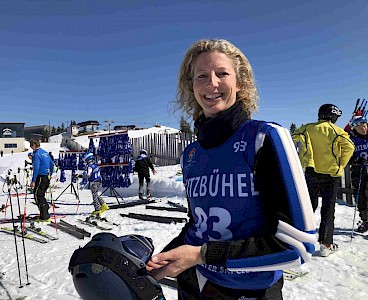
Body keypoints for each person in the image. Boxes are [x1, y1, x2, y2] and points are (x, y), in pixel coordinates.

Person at [146, 39, 316, 299]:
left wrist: (202, 254)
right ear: (191, 87)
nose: (212, 83)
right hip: (196, 283)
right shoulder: (191, 154)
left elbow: (298, 246)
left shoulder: (264, 138)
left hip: (250, 290)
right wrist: (161, 259)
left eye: (222, 73)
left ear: (240, 83)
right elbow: (198, 224)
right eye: (201, 76)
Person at [293, 104, 355, 256]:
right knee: (328, 208)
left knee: (308, 206)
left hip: (311, 170)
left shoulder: (307, 128)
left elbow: (294, 137)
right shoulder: (336, 131)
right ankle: (326, 244)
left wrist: (303, 156)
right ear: (332, 116)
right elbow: (349, 147)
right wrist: (340, 164)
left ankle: (300, 240)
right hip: (331, 173)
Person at [348, 116, 368, 233]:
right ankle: (365, 220)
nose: (364, 128)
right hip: (358, 171)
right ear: (355, 127)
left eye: (365, 125)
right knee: (360, 197)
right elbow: (346, 155)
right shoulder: (351, 139)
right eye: (361, 127)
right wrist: (354, 161)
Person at [29, 139, 55, 222]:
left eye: (31, 146)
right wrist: (50, 174)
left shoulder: (36, 154)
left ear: (34, 145)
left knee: (38, 195)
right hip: (46, 176)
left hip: (40, 176)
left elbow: (36, 168)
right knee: (41, 195)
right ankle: (44, 212)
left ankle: (44, 215)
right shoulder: (45, 152)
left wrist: (33, 180)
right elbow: (52, 164)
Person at [81, 151, 109, 217]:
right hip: (98, 181)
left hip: (93, 182)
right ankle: (104, 205)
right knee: (96, 194)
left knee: (94, 196)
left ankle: (97, 209)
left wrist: (80, 176)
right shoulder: (96, 164)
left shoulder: (89, 166)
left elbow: (88, 175)